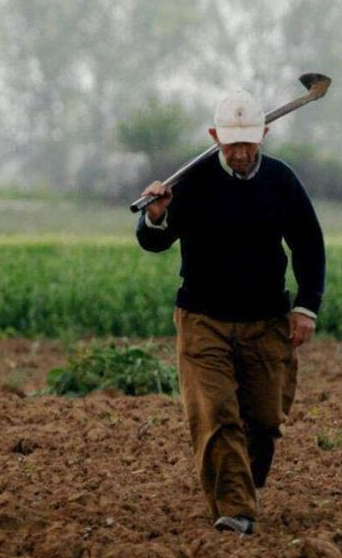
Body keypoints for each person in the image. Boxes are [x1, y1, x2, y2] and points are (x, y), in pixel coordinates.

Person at [135, 89, 326, 535]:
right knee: (216, 414)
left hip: (266, 320)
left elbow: (309, 246)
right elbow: (154, 242)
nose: (240, 153)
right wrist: (156, 216)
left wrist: (306, 308)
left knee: (262, 421)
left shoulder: (281, 182)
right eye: (231, 143)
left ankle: (242, 483)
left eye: (249, 143)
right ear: (214, 136)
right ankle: (236, 509)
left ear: (264, 134)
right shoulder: (190, 184)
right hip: (204, 320)